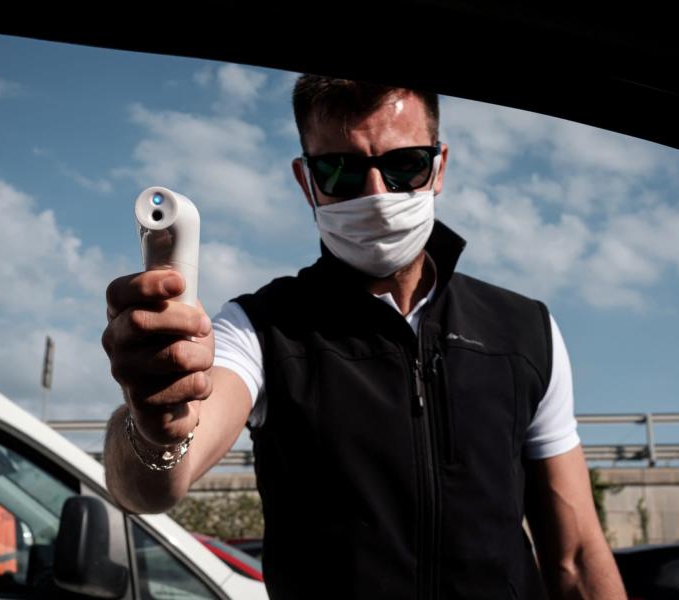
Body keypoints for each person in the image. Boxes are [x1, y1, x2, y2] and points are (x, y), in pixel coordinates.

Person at [102, 74, 626, 599]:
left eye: (404, 165)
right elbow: (150, 486)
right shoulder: (259, 329)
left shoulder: (524, 330)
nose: (376, 194)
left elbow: (577, 559)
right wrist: (155, 424)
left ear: (438, 167)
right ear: (307, 182)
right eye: (339, 171)